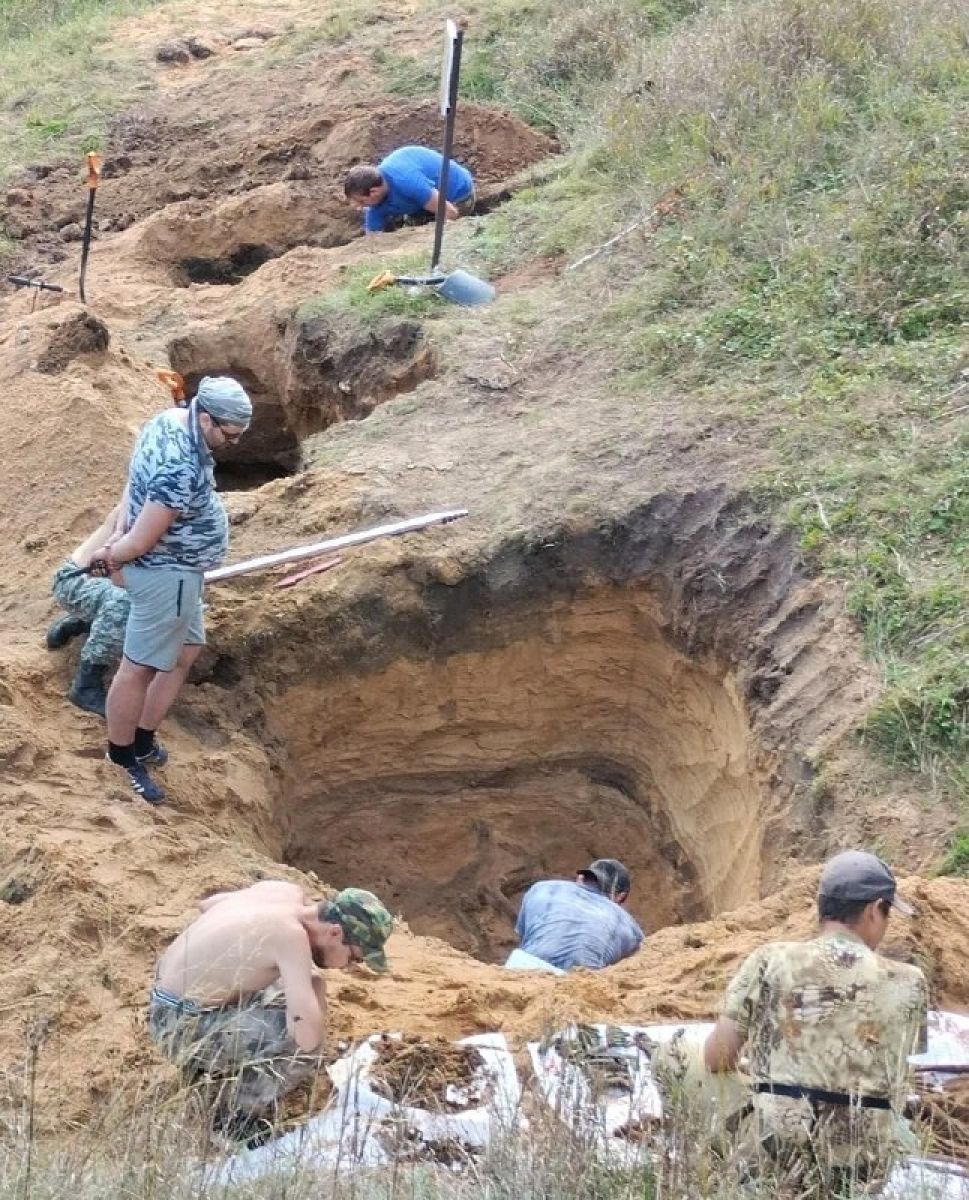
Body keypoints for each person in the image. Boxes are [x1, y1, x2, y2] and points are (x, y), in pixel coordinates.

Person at [696, 850, 928, 1192]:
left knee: (684, 1053)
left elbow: (717, 1058)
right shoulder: (910, 981)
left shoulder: (769, 960)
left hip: (775, 1151)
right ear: (872, 910)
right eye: (888, 912)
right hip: (860, 1161)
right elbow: (900, 1067)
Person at [94, 376, 252, 805]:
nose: (233, 445)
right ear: (206, 419)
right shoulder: (180, 465)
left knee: (184, 652)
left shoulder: (167, 419)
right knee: (139, 667)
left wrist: (120, 536)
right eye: (230, 436)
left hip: (179, 575)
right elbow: (145, 539)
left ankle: (142, 737)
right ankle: (123, 756)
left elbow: (132, 487)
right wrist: (116, 556)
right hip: (168, 573)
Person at [149, 880, 393, 1141]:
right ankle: (234, 1120)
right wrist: (316, 986)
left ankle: (211, 1064)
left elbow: (208, 904)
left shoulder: (282, 892)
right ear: (334, 933)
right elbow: (307, 1039)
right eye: (354, 957)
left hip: (164, 997)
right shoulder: (290, 936)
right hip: (177, 1028)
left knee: (282, 984)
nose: (350, 966)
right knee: (298, 1042)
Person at [47, 507, 130, 717]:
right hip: (82, 577)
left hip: (108, 578)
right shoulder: (161, 493)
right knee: (125, 604)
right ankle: (86, 684)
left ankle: (83, 622)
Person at [505, 858, 643, 973]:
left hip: (521, 968)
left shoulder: (541, 888)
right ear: (620, 897)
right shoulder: (625, 922)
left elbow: (526, 937)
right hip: (574, 984)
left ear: (581, 878)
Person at [344, 145, 476, 234]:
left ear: (373, 192)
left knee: (426, 240)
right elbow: (372, 239)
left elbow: (450, 212)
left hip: (456, 195)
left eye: (361, 202)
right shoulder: (375, 200)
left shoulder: (406, 181)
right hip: (420, 203)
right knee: (408, 233)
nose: (359, 207)